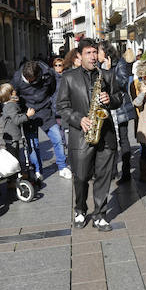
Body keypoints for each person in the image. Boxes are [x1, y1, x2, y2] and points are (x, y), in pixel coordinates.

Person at [56, 38, 123, 231]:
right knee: (81, 176)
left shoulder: (108, 75)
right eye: (88, 53)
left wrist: (110, 99)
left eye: (95, 52)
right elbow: (62, 106)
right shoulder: (69, 77)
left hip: (106, 135)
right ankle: (80, 209)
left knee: (103, 176)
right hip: (81, 135)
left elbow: (120, 98)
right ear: (79, 56)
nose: (93, 57)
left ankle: (100, 214)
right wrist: (79, 119)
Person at [12, 60, 70, 182]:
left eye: (33, 80)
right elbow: (13, 93)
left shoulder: (47, 74)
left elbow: (52, 88)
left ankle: (62, 167)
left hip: (45, 110)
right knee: (33, 145)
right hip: (29, 112)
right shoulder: (17, 78)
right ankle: (38, 170)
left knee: (58, 139)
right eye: (29, 81)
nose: (31, 83)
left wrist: (47, 101)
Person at [0, 83, 34, 175]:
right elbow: (16, 120)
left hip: (11, 135)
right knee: (13, 157)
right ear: (9, 95)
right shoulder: (11, 106)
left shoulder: (10, 104)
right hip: (11, 136)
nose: (15, 91)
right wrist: (27, 116)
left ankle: (17, 175)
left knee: (15, 155)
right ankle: (15, 177)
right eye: (12, 91)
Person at [113, 48, 136, 183]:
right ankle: (113, 171)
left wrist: (109, 71)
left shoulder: (119, 63)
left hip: (120, 107)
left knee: (123, 139)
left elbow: (122, 82)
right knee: (111, 141)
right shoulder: (99, 64)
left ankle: (126, 173)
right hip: (107, 108)